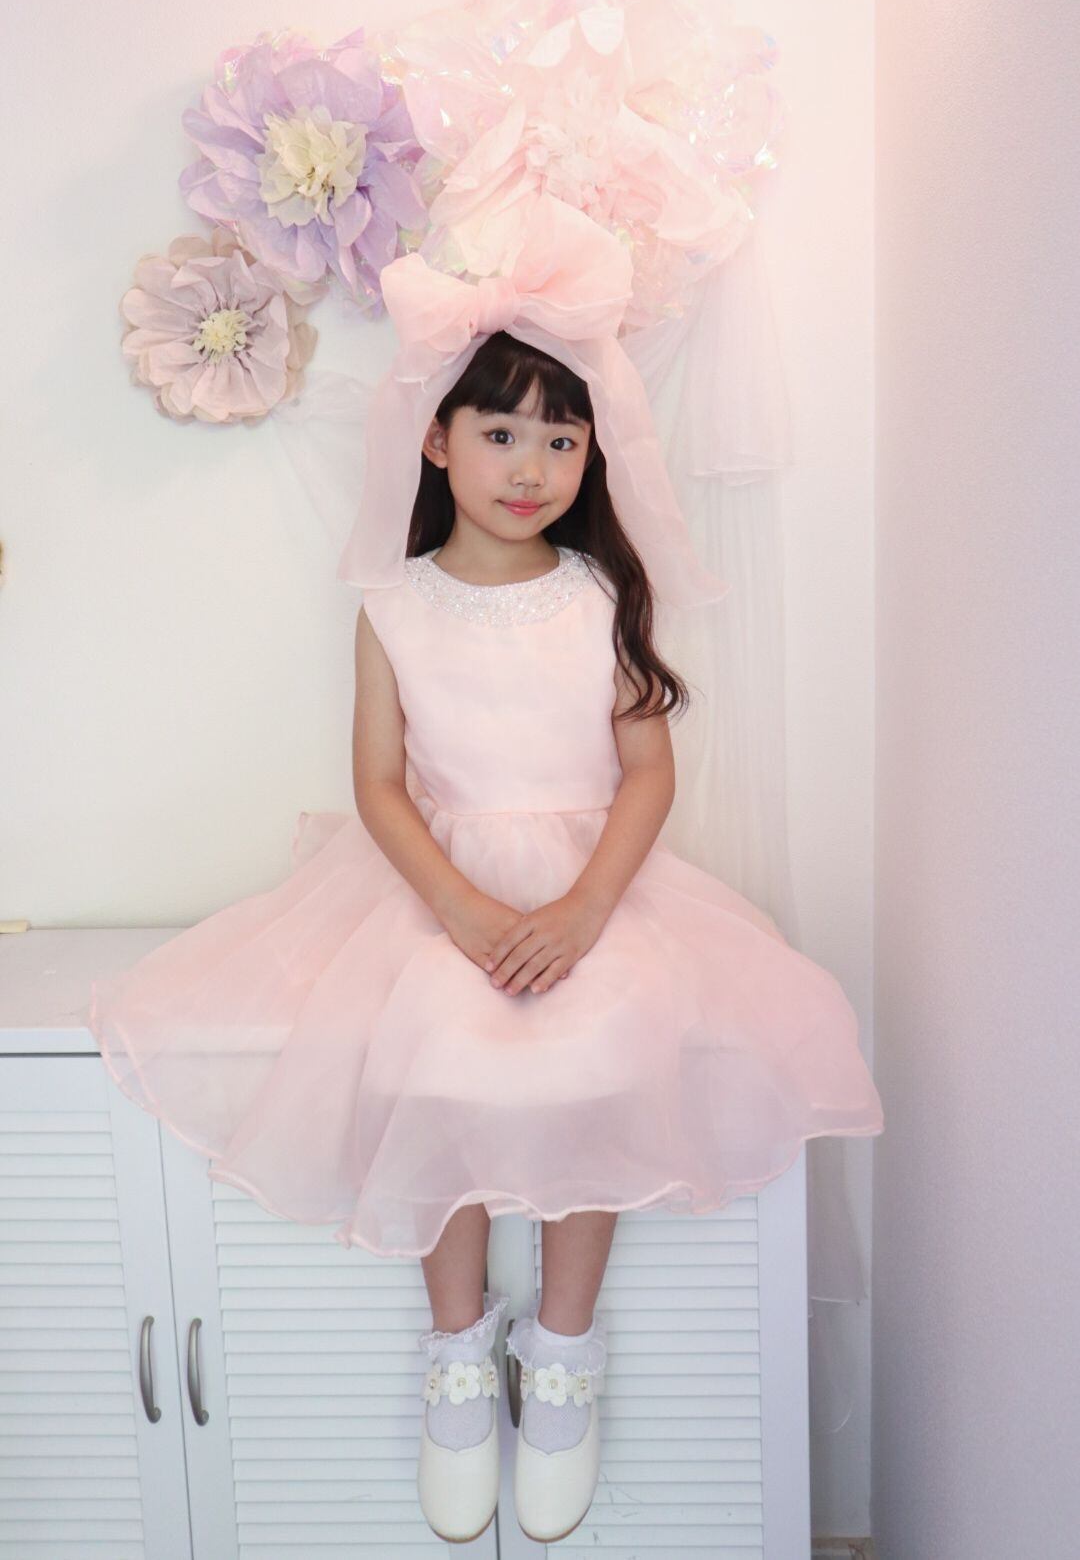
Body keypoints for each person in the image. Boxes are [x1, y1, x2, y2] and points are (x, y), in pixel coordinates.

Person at [89, 281, 884, 1550]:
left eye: (562, 439)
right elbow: (377, 783)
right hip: (435, 884)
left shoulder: (601, 593)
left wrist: (582, 911)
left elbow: (648, 773)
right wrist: (458, 909)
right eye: (501, 432)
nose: (531, 466)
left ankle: (562, 1354)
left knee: (604, 1049)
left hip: (592, 885)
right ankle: (458, 1351)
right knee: (433, 1058)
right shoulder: (394, 602)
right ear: (436, 438)